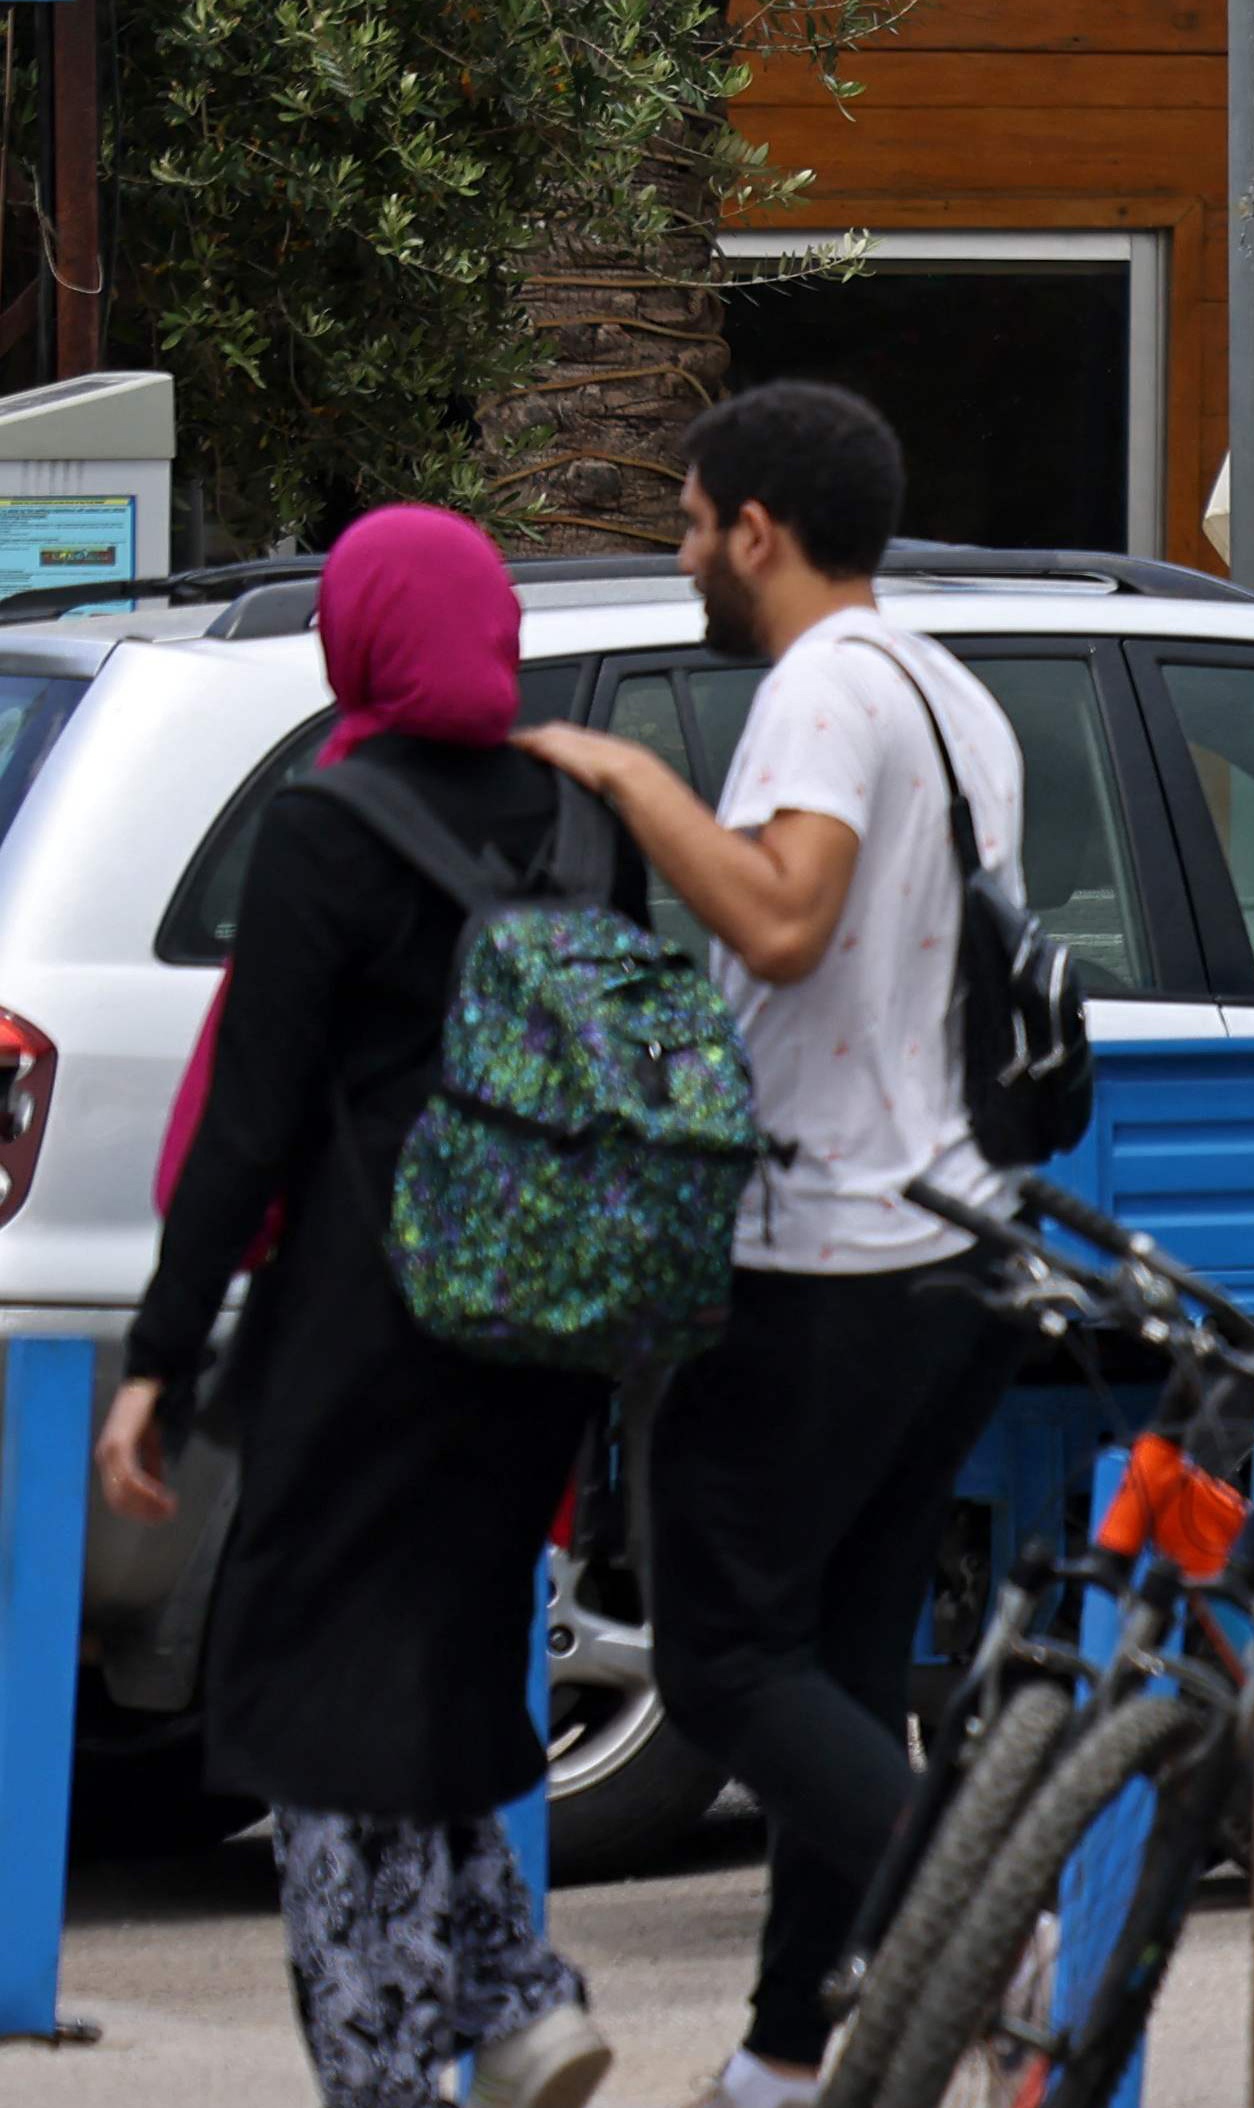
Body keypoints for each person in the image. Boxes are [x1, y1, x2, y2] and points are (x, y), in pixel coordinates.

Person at [521, 383, 1036, 2108]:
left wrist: (628, 774)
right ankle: (782, 2054)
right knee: (832, 1666)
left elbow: (789, 918)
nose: (683, 558)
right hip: (955, 1245)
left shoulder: (822, 686)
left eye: (686, 523)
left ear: (758, 526)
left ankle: (974, 1912)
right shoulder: (957, 694)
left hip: (824, 1248)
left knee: (726, 1660)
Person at [105, 509, 614, 2108]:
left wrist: (159, 1366)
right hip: (538, 1333)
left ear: (358, 636)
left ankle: (390, 2069)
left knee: (314, 1714)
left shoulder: (332, 829)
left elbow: (247, 1124)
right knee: (448, 1668)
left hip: (363, 1340)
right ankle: (519, 1991)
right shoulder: (582, 818)